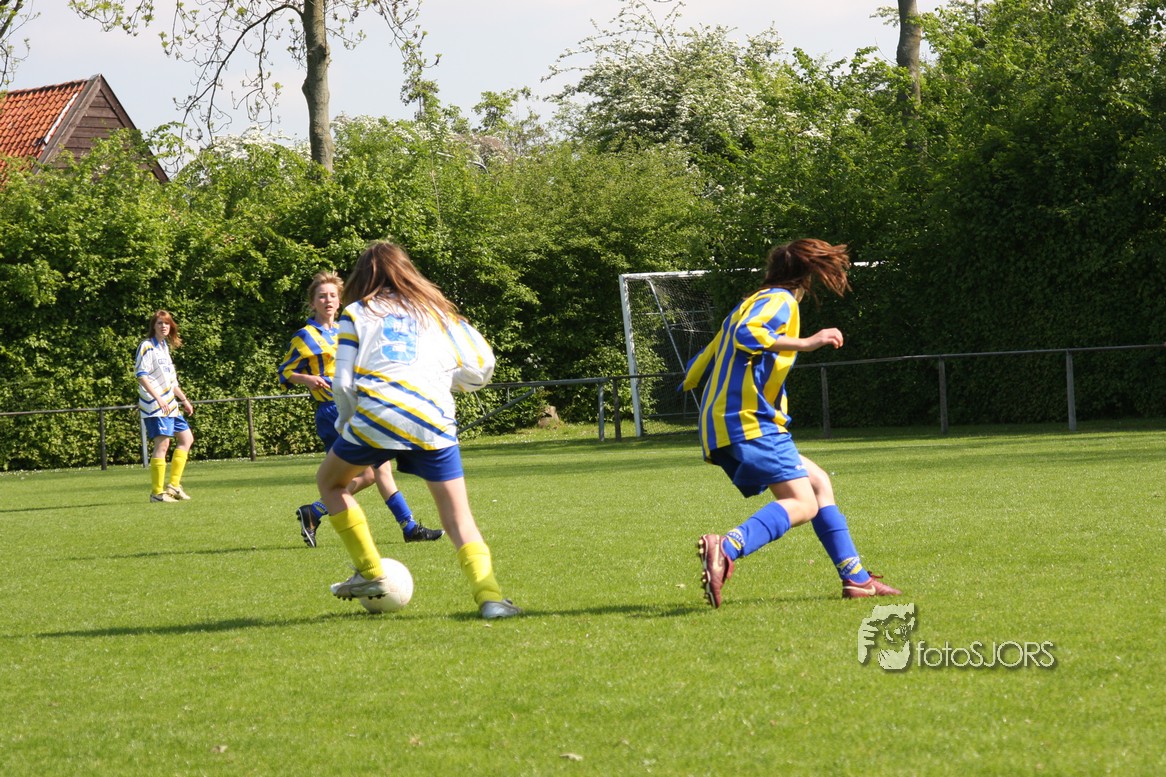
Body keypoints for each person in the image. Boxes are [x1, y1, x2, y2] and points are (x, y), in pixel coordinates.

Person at [681, 239, 901, 608]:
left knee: (818, 483)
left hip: (729, 418)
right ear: (806, 275)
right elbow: (746, 334)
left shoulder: (754, 300)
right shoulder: (779, 300)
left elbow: (711, 352)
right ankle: (727, 547)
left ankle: (857, 579)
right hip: (748, 419)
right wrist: (810, 341)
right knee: (802, 503)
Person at [316, 242, 521, 619]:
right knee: (458, 518)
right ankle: (490, 598)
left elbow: (342, 383)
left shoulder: (355, 312)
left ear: (363, 276)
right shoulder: (436, 311)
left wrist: (347, 425)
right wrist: (446, 381)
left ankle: (371, 573)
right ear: (407, 270)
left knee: (330, 483)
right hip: (433, 417)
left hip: (376, 414)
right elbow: (483, 364)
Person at [278, 271, 444, 548]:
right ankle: (408, 527)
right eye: (322, 296)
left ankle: (316, 511)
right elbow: (285, 372)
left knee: (373, 473)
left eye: (333, 295)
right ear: (312, 303)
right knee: (376, 471)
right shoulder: (305, 336)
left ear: (339, 300)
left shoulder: (344, 329)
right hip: (333, 411)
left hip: (359, 406)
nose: (328, 300)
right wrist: (307, 379)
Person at [135, 310, 195, 503]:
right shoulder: (147, 346)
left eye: (167, 323)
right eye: (160, 323)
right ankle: (157, 493)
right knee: (163, 444)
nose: (164, 326)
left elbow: (172, 382)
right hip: (155, 405)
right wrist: (158, 398)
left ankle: (174, 486)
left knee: (186, 438)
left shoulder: (164, 348)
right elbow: (141, 375)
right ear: (153, 326)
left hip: (170, 404)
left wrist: (184, 400)